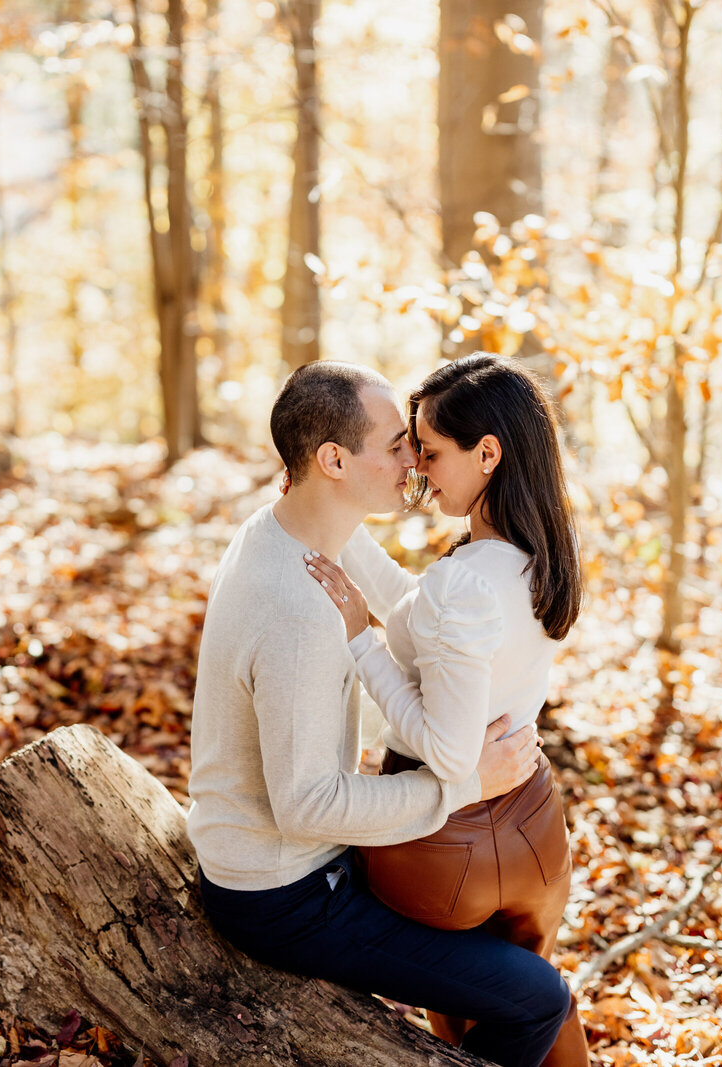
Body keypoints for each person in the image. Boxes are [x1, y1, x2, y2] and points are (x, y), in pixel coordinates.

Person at [186, 360, 574, 1067]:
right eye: (398, 444)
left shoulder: (283, 531)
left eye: (419, 445)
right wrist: (464, 784)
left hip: (291, 857)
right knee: (538, 997)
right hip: (287, 893)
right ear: (333, 459)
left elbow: (405, 616)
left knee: (493, 949)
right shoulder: (298, 613)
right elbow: (306, 805)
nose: (414, 462)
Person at [303, 353, 589, 1066]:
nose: (421, 469)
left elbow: (449, 752)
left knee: (472, 1017)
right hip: (533, 831)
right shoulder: (535, 557)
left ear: (487, 452)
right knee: (526, 1005)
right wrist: (341, 520)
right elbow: (422, 615)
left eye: (430, 452)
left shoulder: (462, 583)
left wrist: (361, 643)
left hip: (444, 847)